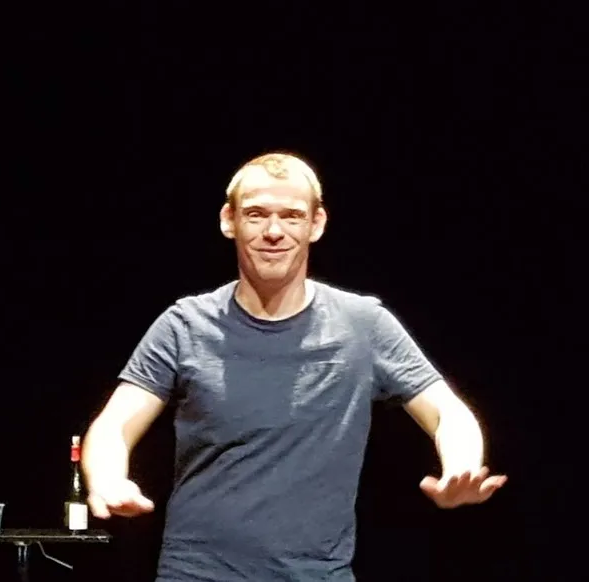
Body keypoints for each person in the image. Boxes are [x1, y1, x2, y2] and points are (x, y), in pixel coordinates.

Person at [80, 153, 507, 581]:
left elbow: (446, 412)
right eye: (256, 214)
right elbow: (114, 425)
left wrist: (461, 466)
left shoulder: (363, 325)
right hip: (198, 573)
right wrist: (107, 478)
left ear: (316, 224)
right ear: (229, 220)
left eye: (291, 216)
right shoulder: (185, 325)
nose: (273, 231)